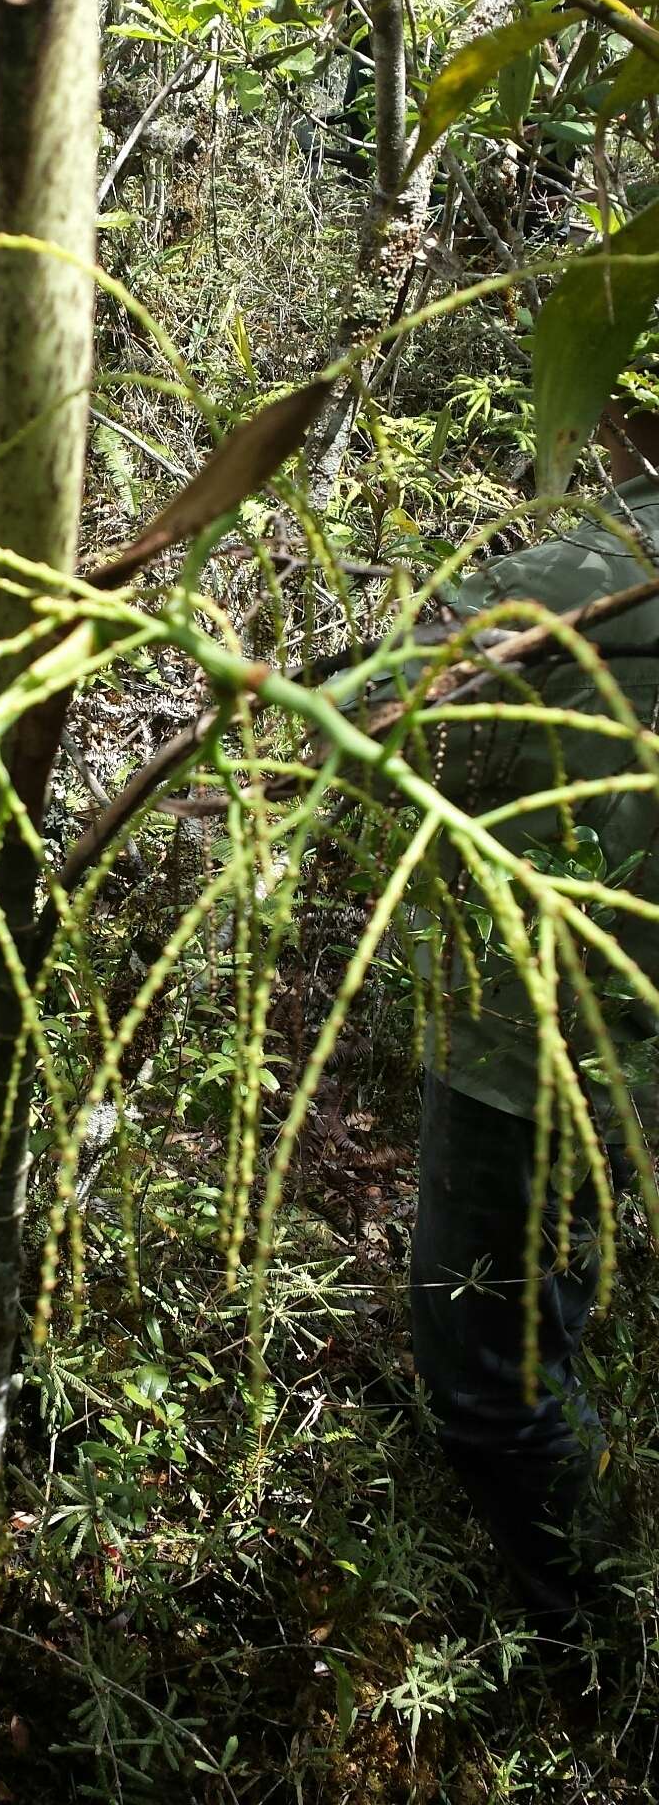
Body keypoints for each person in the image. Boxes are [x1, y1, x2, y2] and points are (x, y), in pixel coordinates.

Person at [389, 401, 659, 1636]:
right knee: (559, 1305)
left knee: (487, 1375)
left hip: (530, 1052)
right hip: (610, 1051)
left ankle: (604, 1633)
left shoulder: (551, 581)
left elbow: (384, 742)